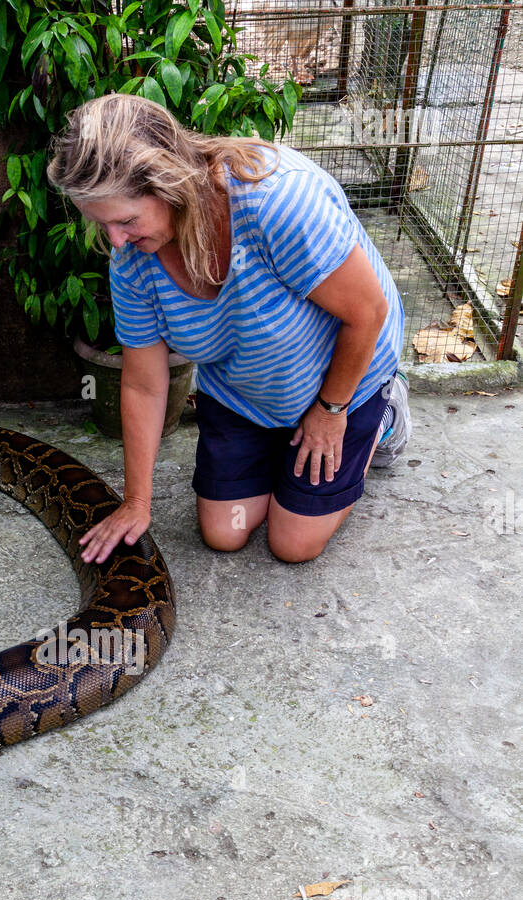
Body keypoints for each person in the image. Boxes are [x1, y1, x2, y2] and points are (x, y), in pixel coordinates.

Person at [46, 93, 411, 565]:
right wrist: (137, 503)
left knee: (293, 544)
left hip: (343, 381)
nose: (117, 242)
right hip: (247, 391)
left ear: (169, 183)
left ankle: (385, 413)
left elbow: (367, 312)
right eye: (103, 224)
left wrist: (330, 410)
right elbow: (143, 381)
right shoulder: (131, 259)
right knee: (225, 532)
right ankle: (283, 441)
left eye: (126, 221)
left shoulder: (278, 202)